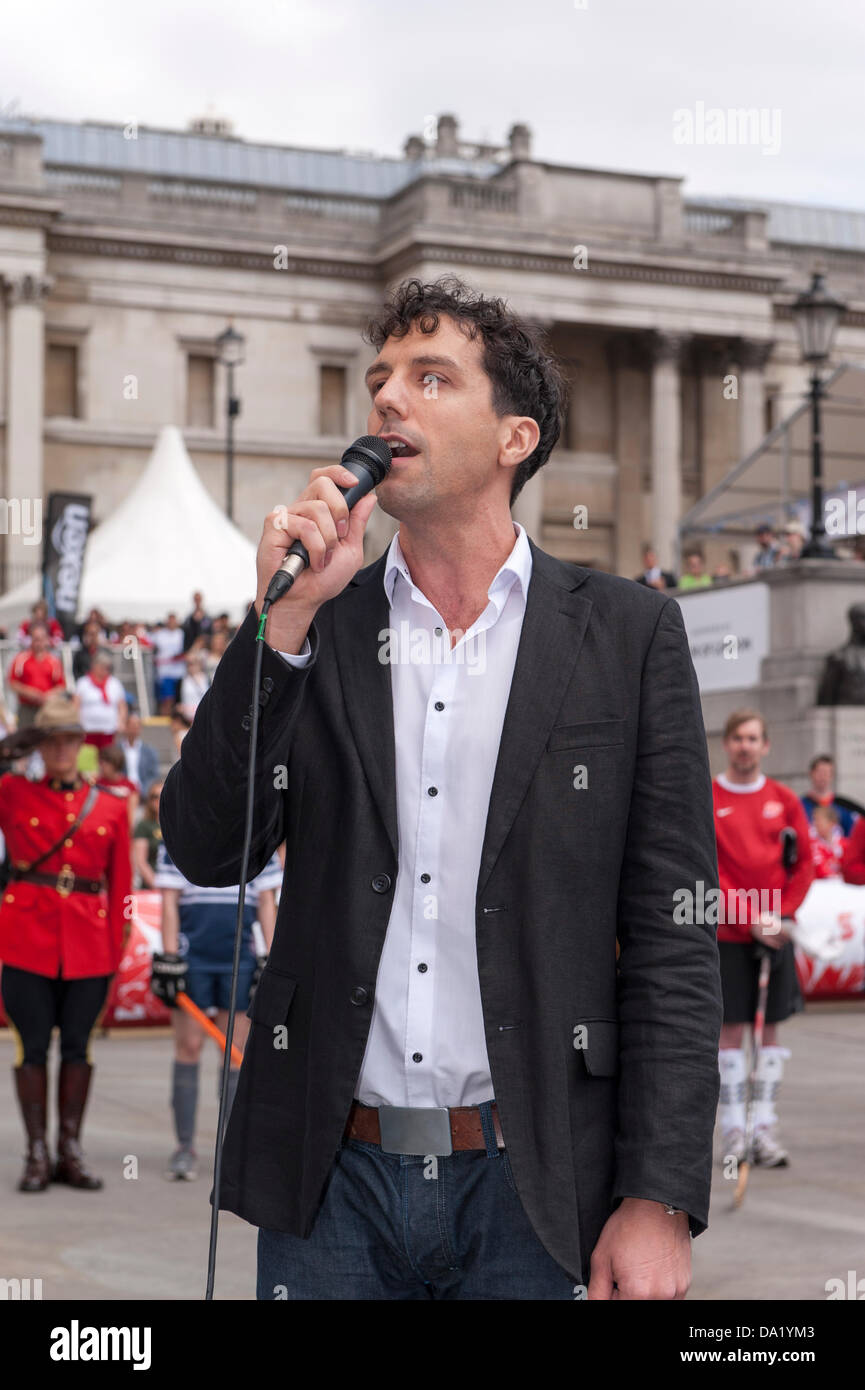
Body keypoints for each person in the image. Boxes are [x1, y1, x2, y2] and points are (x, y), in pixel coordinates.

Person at [160, 277, 722, 1302]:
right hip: (333, 1184)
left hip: (536, 1184)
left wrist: (658, 1194)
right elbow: (206, 845)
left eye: (429, 378)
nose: (386, 400)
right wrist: (276, 627)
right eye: (379, 380)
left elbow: (676, 938)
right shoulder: (320, 624)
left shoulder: (626, 635)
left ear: (515, 437)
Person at [0, 692, 131, 1192]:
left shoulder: (113, 806)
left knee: (78, 1049)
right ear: (40, 745)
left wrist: (116, 949)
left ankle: (69, 1152)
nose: (60, 750)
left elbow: (121, 890)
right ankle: (35, 1153)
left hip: (89, 947)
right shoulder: (14, 792)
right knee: (31, 1049)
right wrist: (15, 745)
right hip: (26, 942)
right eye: (51, 741)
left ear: (82, 745)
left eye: (69, 740)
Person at [712, 709, 815, 1169]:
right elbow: (706, 871)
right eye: (738, 738)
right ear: (728, 743)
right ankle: (734, 1131)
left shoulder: (784, 799)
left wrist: (783, 913)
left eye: (753, 738)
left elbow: (805, 863)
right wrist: (749, 916)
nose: (745, 746)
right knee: (731, 1033)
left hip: (775, 935)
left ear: (766, 745)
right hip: (731, 936)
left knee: (769, 1033)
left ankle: (764, 1129)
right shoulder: (710, 796)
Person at [149, 844, 280, 1180]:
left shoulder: (256, 841)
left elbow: (267, 903)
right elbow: (168, 903)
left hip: (239, 958)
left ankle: (234, 1151)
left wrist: (272, 957)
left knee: (233, 1052)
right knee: (189, 1047)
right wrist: (169, 956)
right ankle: (184, 1148)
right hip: (193, 957)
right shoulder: (180, 838)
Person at [7, 622, 66, 728]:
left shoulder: (54, 661)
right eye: (36, 639)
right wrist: (28, 692)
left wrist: (48, 695)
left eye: (42, 639)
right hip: (27, 708)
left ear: (47, 639)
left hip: (46, 707)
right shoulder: (21, 659)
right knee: (25, 739)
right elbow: (12, 683)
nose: (39, 643)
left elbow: (61, 686)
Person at [75, 650, 128, 750]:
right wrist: (77, 724)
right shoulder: (83, 683)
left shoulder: (115, 683)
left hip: (109, 730)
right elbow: (76, 706)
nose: (104, 670)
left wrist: (121, 722)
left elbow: (122, 706)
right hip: (88, 731)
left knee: (107, 760)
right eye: (101, 666)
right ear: (94, 666)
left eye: (106, 667)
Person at [801, 753, 859, 837]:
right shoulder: (800, 805)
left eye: (827, 773)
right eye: (819, 772)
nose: (823, 777)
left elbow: (851, 838)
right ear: (811, 773)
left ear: (832, 776)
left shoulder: (844, 807)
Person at [96, 743, 140, 832]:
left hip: (120, 827)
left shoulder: (129, 786)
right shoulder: (96, 784)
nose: (101, 766)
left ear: (114, 764)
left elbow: (131, 813)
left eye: (104, 763)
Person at [118, 711, 160, 797]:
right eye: (132, 725)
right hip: (121, 791)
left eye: (137, 726)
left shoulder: (149, 751)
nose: (134, 729)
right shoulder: (117, 749)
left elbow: (154, 775)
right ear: (126, 727)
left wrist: (144, 789)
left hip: (143, 793)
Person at [152, 614, 186, 715]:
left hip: (179, 672)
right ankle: (165, 719)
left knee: (177, 700)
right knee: (167, 699)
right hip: (165, 672)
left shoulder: (181, 634)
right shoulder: (159, 634)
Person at [133, 781, 164, 889]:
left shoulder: (177, 824)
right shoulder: (144, 825)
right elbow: (141, 862)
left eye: (163, 795)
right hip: (151, 886)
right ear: (149, 801)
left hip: (176, 885)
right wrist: (157, 886)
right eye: (155, 796)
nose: (159, 800)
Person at [809, 804, 846, 879]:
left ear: (832, 823)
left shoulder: (844, 844)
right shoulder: (812, 843)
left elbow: (849, 867)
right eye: (814, 819)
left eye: (819, 820)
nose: (815, 823)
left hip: (841, 886)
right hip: (821, 885)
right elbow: (819, 869)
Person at [178, 652, 209, 720]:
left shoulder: (206, 679)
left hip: (202, 716)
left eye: (193, 663)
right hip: (187, 718)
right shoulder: (182, 680)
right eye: (188, 664)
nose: (190, 666)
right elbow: (179, 701)